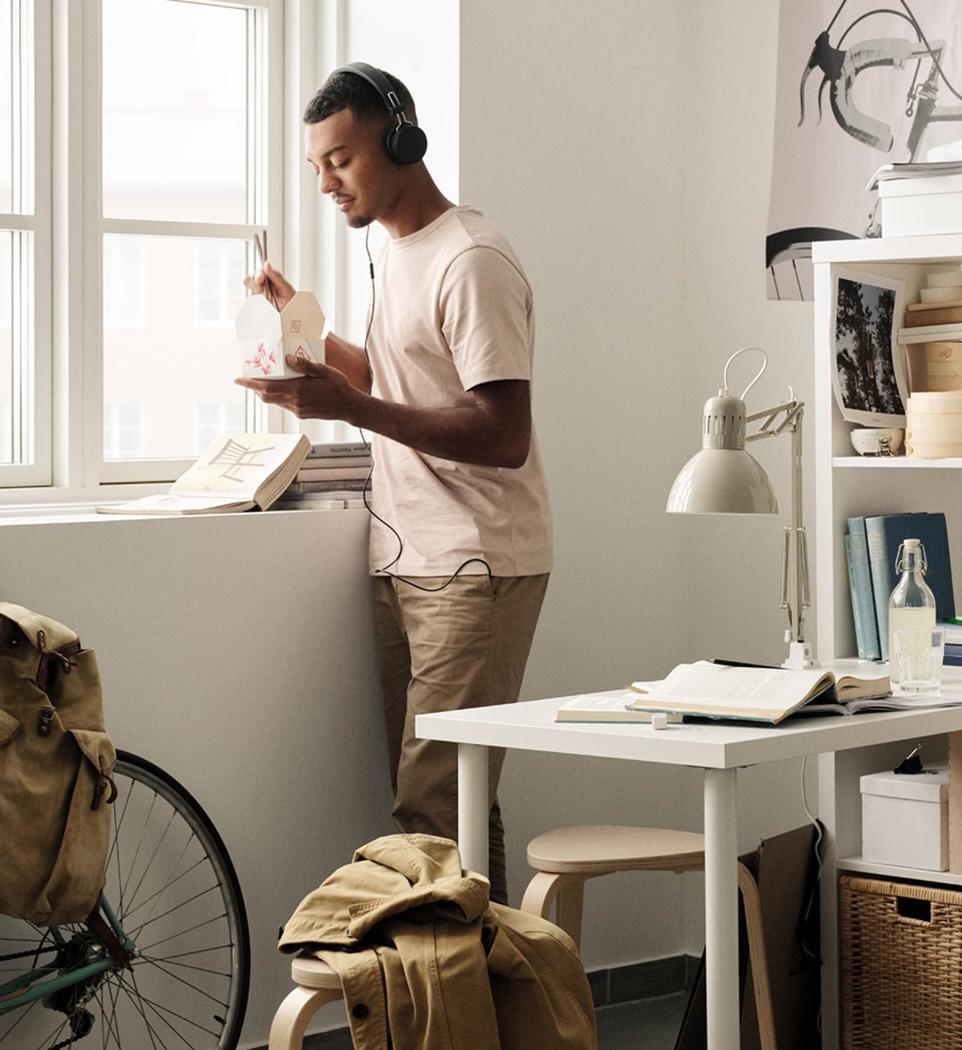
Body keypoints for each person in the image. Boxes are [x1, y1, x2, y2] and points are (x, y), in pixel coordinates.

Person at [238, 65, 551, 905]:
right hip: (407, 555)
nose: (327, 183)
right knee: (451, 803)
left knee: (429, 809)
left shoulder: (472, 260)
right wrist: (302, 323)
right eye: (315, 168)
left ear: (402, 140)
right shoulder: (389, 246)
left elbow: (503, 434)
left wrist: (354, 410)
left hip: (475, 564)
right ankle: (485, 1014)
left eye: (340, 159)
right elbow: (397, 375)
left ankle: (444, 1025)